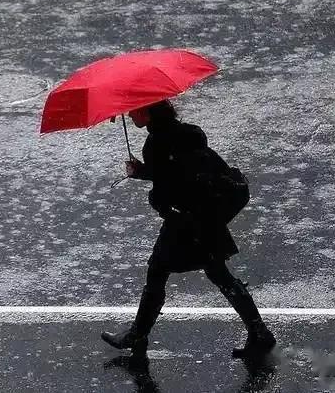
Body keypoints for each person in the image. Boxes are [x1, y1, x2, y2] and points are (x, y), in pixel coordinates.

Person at [101, 99, 276, 358]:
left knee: (158, 271)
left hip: (186, 221)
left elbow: (165, 191)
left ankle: (138, 334)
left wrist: (151, 190)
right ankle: (260, 333)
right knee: (218, 272)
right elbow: (178, 172)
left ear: (147, 111)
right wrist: (146, 172)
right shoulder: (186, 133)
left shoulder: (156, 143)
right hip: (206, 215)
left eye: (134, 108)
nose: (129, 113)